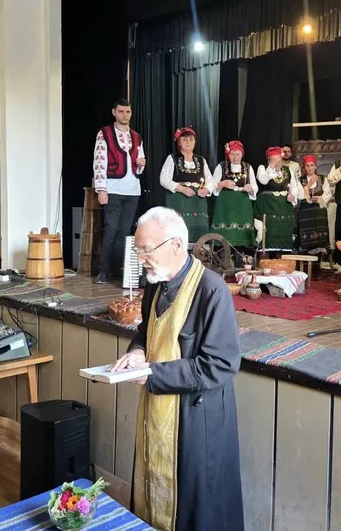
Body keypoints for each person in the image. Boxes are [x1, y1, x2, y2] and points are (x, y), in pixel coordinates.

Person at [108, 207, 244, 531]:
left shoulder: (211, 290)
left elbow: (220, 364)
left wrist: (152, 374)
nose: (141, 259)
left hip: (196, 421)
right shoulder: (155, 285)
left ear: (177, 245)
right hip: (156, 409)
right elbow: (145, 332)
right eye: (137, 250)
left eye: (146, 250)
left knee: (195, 512)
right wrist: (138, 352)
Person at [92, 99, 147, 284]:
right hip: (113, 188)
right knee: (111, 230)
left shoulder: (136, 137)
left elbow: (140, 163)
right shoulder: (105, 134)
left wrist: (141, 164)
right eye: (121, 111)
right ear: (114, 112)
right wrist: (101, 189)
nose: (125, 115)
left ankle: (120, 270)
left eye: (128, 112)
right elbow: (99, 162)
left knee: (124, 232)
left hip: (132, 190)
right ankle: (103, 271)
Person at [160, 127, 214, 243]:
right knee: (179, 228)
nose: (188, 142)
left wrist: (206, 189)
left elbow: (211, 181)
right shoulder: (172, 158)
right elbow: (163, 179)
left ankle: (199, 251)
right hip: (178, 201)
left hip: (198, 202)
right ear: (179, 143)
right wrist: (182, 189)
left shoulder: (201, 160)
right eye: (184, 139)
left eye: (191, 139)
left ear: (195, 142)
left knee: (198, 232)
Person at [211, 140, 258, 247]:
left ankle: (241, 252)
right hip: (225, 205)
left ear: (242, 154)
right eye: (232, 154)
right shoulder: (221, 166)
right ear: (228, 154)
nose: (235, 158)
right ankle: (223, 250)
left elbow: (255, 187)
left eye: (238, 154)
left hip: (242, 204)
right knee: (225, 232)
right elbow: (213, 186)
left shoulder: (248, 167)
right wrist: (222, 183)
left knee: (242, 233)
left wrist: (250, 189)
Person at [297, 154, 332, 251]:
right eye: (307, 166)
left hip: (319, 211)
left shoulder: (322, 178)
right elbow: (299, 195)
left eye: (312, 165)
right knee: (306, 236)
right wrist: (308, 185)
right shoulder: (300, 180)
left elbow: (328, 194)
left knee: (321, 235)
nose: (310, 168)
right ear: (304, 167)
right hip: (305, 212)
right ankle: (306, 253)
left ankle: (321, 254)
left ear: (316, 166)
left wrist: (319, 198)